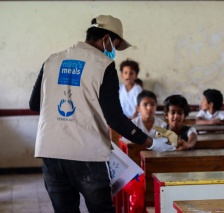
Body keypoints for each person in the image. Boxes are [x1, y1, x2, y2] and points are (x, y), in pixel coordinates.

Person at [29, 15, 174, 213]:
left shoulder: (51, 60)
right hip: (87, 155)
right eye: (115, 44)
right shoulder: (103, 65)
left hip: (50, 153)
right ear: (106, 38)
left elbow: (34, 104)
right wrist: (151, 142)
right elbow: (114, 117)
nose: (113, 50)